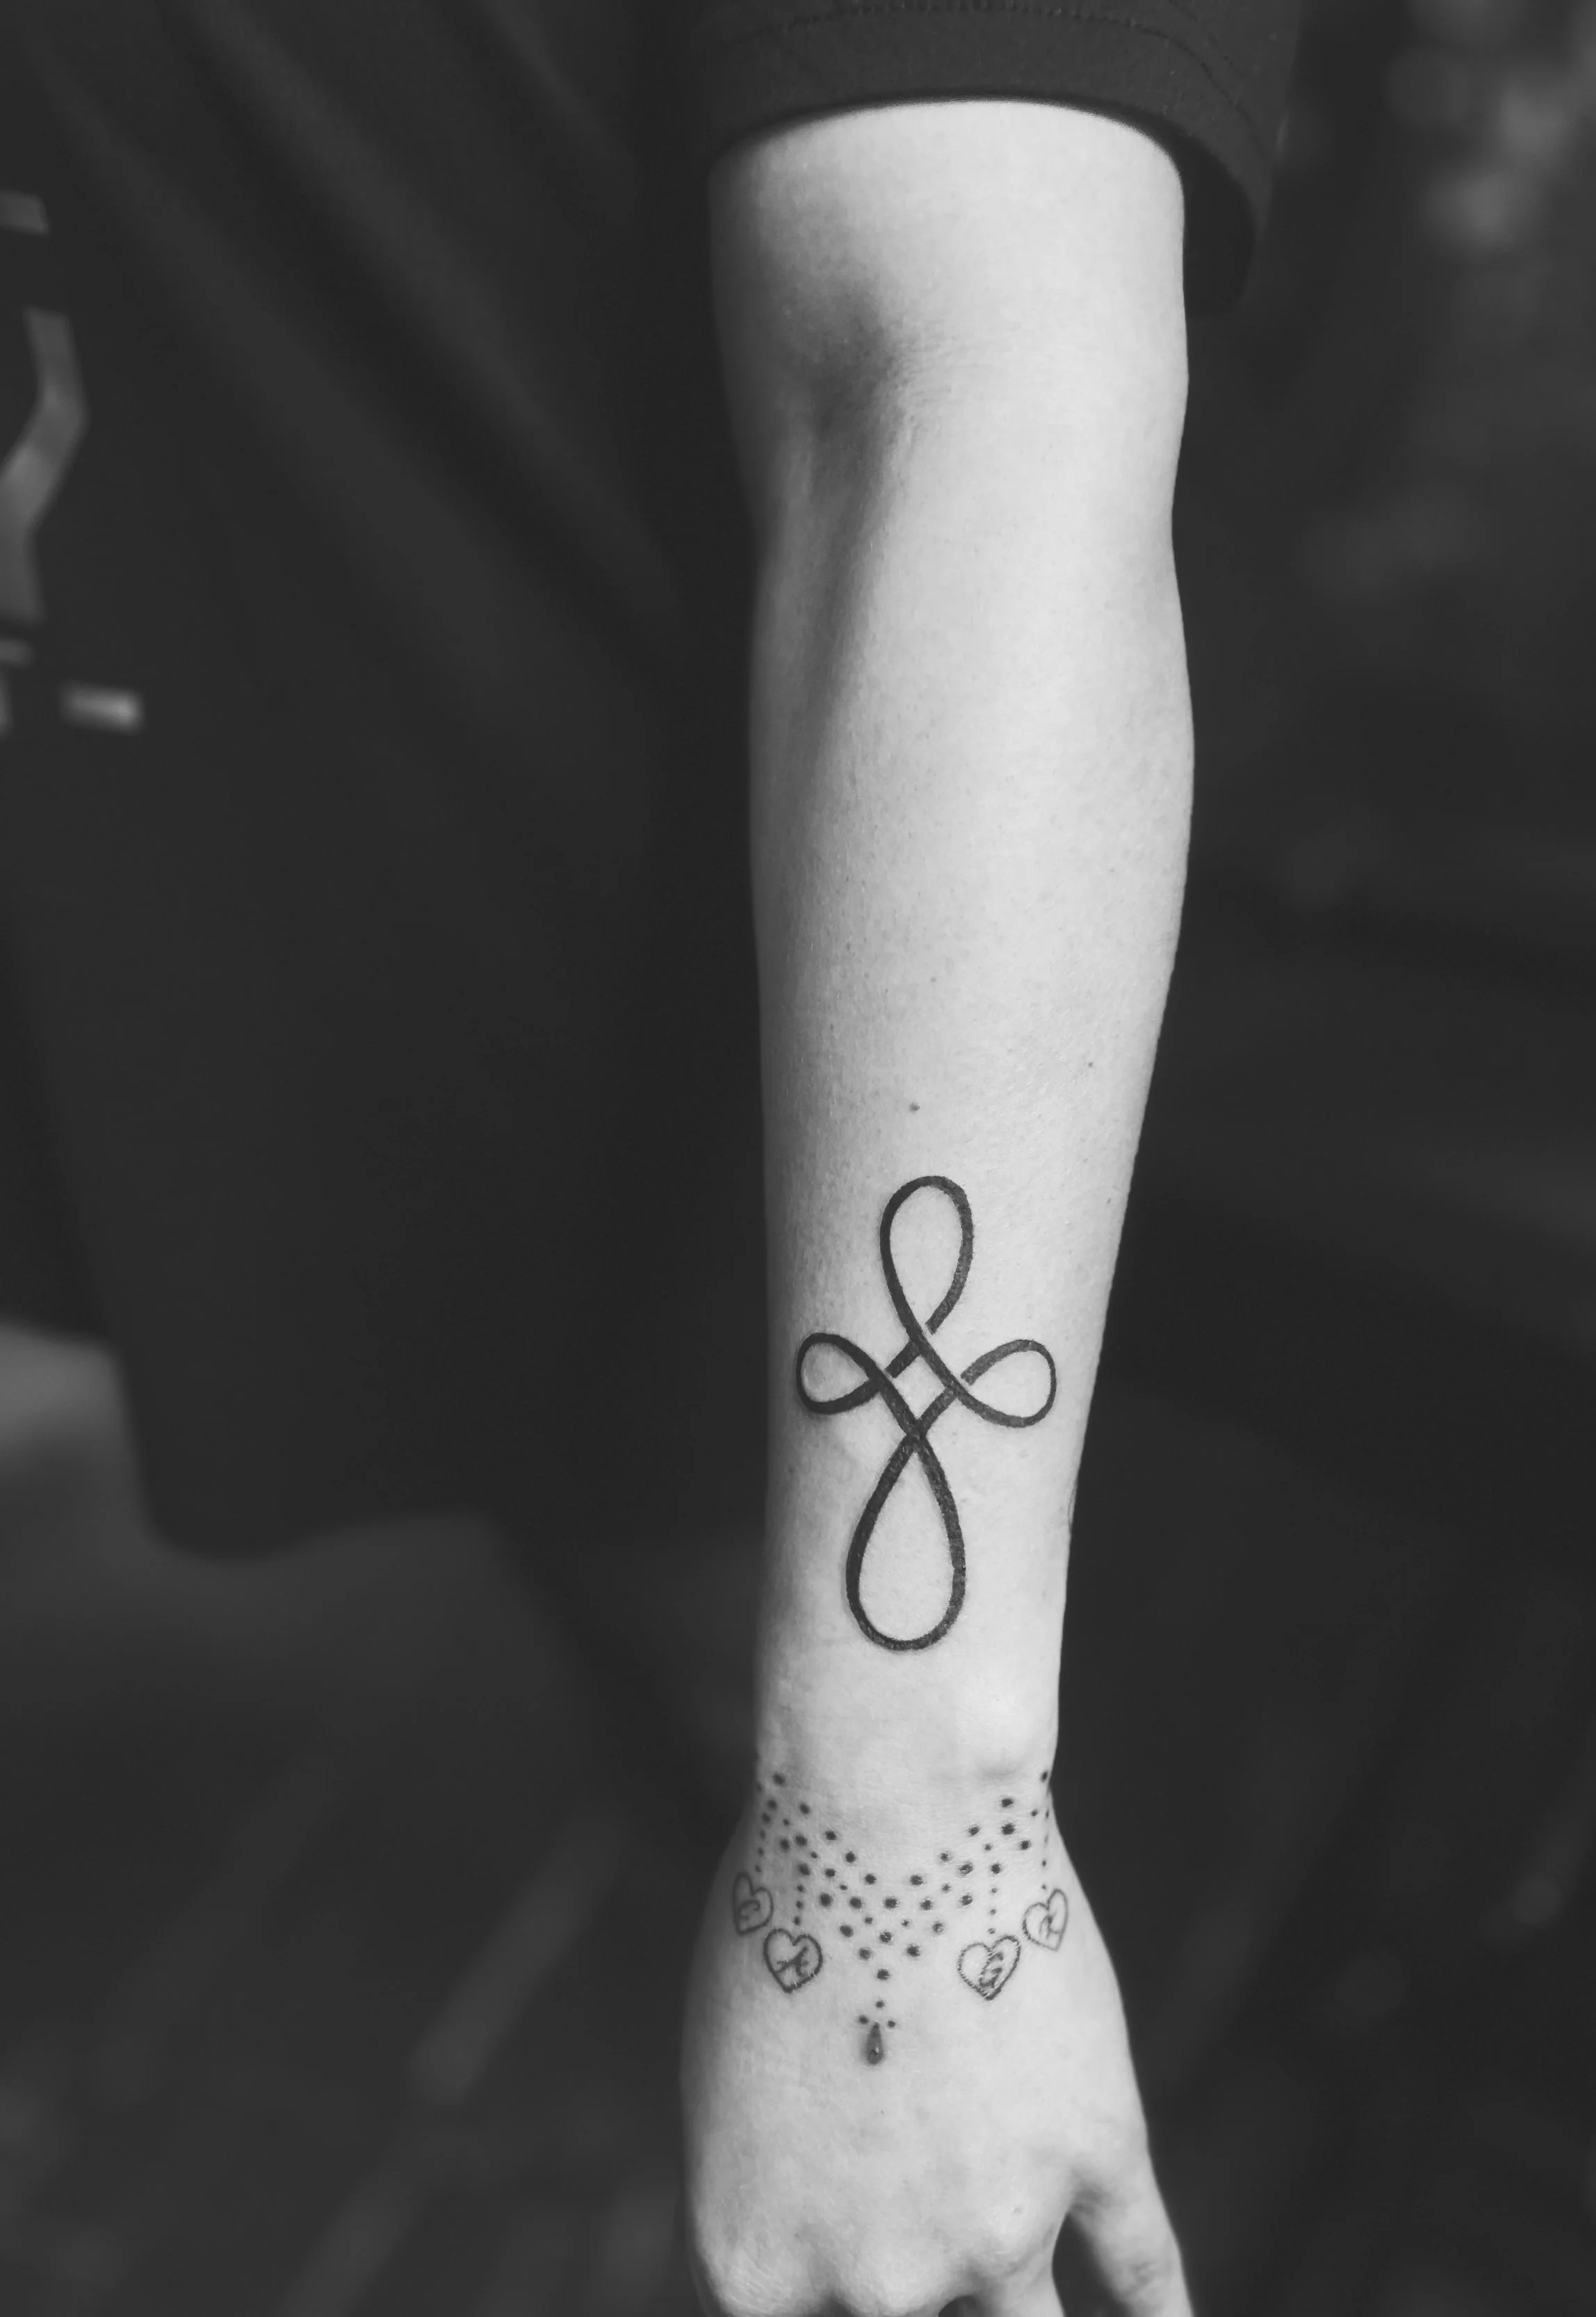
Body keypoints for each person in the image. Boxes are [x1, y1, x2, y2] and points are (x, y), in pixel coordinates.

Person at [0, 1, 1299, 2309]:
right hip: (157, 819)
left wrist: (897, 1820)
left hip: (650, 1022)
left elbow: (964, 390)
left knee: (732, 1742)